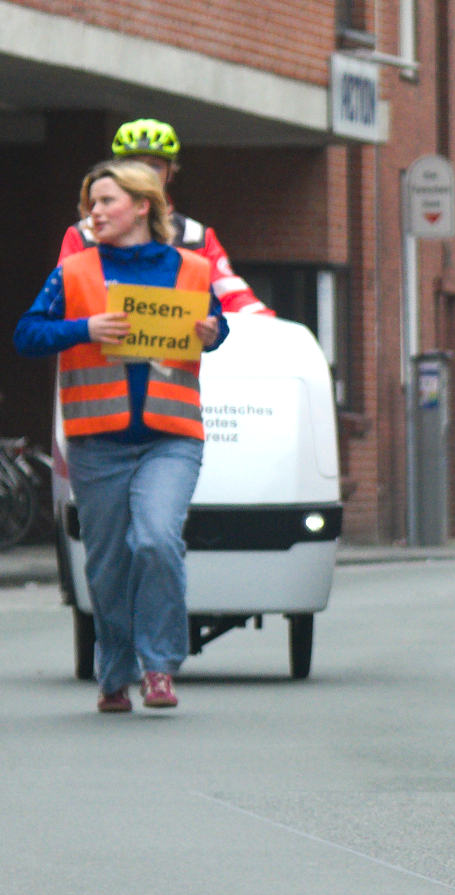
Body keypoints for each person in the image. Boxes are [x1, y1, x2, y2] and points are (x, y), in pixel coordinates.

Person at [15, 160, 227, 712]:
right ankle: (114, 672)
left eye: (107, 202)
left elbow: (216, 328)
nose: (95, 213)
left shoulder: (192, 268)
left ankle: (159, 667)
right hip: (97, 438)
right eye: (91, 204)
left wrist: (211, 331)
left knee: (156, 539)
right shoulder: (76, 271)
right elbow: (27, 334)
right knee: (107, 562)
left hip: (171, 435)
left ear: (142, 206)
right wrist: (83, 328)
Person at [60, 119, 271, 317]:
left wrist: (273, 327)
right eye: (131, 164)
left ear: (171, 173)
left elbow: (230, 294)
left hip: (170, 354)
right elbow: (60, 302)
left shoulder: (194, 237)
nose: (143, 172)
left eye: (155, 165)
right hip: (98, 352)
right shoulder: (85, 233)